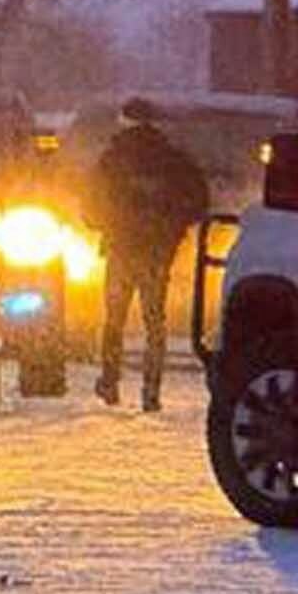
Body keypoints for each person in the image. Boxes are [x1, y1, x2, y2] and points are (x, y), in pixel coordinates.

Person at [85, 98, 209, 410]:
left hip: (121, 248)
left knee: (115, 320)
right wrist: (172, 230)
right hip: (157, 252)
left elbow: (91, 204)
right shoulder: (172, 159)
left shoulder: (113, 159)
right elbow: (197, 200)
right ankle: (151, 391)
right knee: (155, 322)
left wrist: (107, 224)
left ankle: (110, 382)